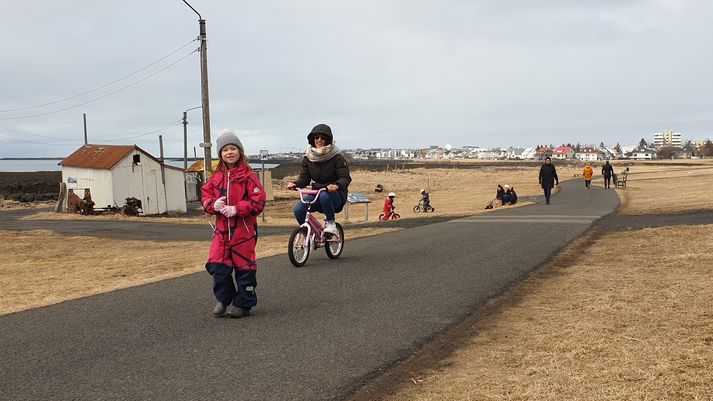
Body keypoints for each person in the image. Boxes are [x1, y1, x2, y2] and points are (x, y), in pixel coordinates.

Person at [202, 129, 266, 318]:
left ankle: (244, 304)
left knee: (245, 269)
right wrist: (213, 204)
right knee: (216, 266)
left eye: (233, 148)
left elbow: (259, 201)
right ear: (220, 155)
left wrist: (237, 208)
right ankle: (224, 298)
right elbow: (205, 198)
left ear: (240, 151)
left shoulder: (249, 176)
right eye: (225, 150)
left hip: (243, 232)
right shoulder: (215, 178)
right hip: (221, 232)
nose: (229, 152)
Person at [287, 123, 351, 235]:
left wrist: (336, 185)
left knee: (324, 195)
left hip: (335, 195)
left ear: (328, 140)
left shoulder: (337, 157)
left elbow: (345, 178)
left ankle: (331, 224)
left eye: (323, 137)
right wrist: (295, 184)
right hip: (317, 193)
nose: (319, 140)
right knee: (298, 209)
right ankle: (310, 234)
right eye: (316, 137)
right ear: (312, 140)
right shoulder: (308, 158)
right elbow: (305, 179)